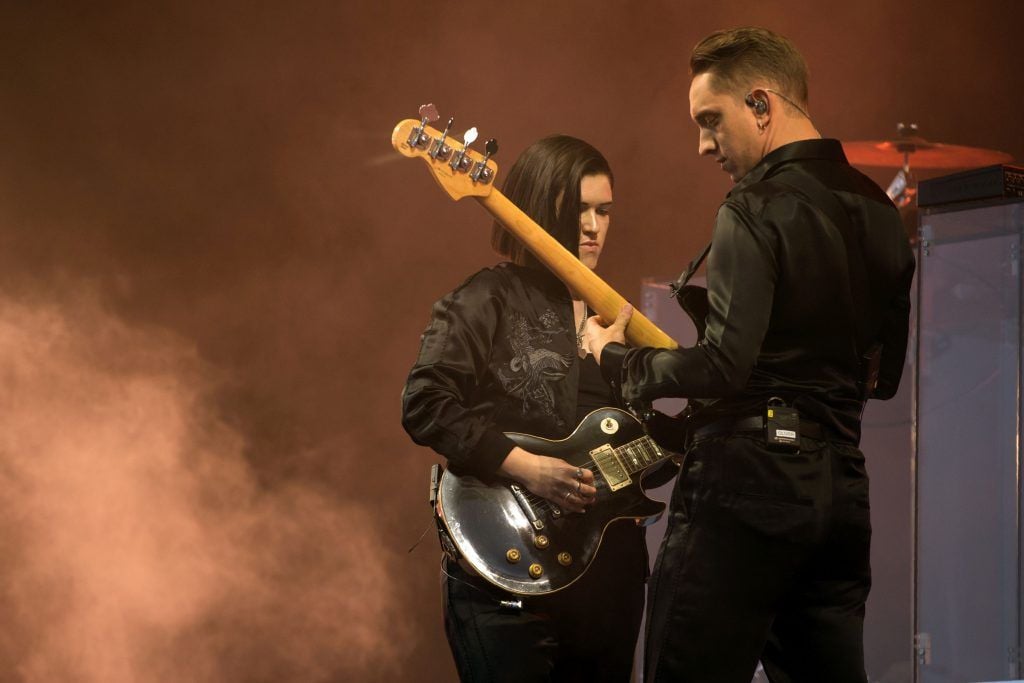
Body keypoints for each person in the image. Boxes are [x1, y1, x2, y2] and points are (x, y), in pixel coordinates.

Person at [587, 27, 915, 683]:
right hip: (841, 490)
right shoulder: (882, 211)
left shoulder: (754, 205)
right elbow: (885, 379)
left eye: (711, 121)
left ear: (762, 105)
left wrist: (618, 360)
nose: (703, 144)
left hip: (745, 484)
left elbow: (723, 367)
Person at [401, 135, 648, 681]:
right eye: (577, 210)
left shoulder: (616, 321)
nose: (593, 227)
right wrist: (529, 467)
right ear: (538, 209)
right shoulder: (486, 298)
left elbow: (649, 439)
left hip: (607, 573)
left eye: (604, 211)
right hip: (504, 562)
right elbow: (425, 402)